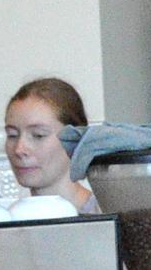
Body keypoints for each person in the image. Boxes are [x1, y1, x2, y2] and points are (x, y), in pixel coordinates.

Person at [6, 74, 96, 211]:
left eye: (38, 135)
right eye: (12, 135)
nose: (19, 149)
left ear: (74, 139)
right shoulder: (8, 220)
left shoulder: (105, 217)